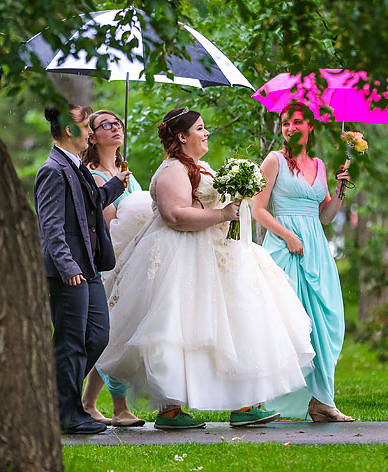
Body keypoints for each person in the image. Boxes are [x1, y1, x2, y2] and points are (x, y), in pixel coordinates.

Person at [96, 107, 315, 430]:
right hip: (182, 257)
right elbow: (175, 216)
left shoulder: (201, 167)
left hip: (220, 255)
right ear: (182, 136)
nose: (206, 132)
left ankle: (245, 403)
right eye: (200, 128)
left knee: (238, 324)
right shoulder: (172, 170)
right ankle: (170, 409)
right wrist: (222, 215)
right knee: (179, 328)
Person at [252, 101, 354, 422]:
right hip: (284, 249)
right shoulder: (274, 161)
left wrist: (340, 188)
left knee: (326, 322)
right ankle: (259, 400)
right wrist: (288, 236)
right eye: (285, 123)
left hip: (316, 251)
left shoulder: (320, 165)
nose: (290, 128)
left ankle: (322, 400)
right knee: (285, 326)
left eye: (297, 122)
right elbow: (258, 210)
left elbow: (325, 216)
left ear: (311, 126)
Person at [34, 105, 130, 435]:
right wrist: (66, 265)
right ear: (68, 130)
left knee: (97, 336)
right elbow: (51, 226)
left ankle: (55, 398)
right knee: (71, 342)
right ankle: (68, 414)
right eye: (86, 126)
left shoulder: (75, 165)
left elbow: (90, 202)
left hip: (88, 265)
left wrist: (116, 185)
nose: (90, 131)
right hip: (68, 270)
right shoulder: (52, 170)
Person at [78, 110, 145, 428]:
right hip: (111, 260)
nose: (115, 128)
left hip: (136, 256)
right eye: (106, 125)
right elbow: (109, 223)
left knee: (113, 331)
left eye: (118, 123)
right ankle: (120, 407)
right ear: (92, 137)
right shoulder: (93, 176)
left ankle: (88, 403)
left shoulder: (126, 171)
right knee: (115, 332)